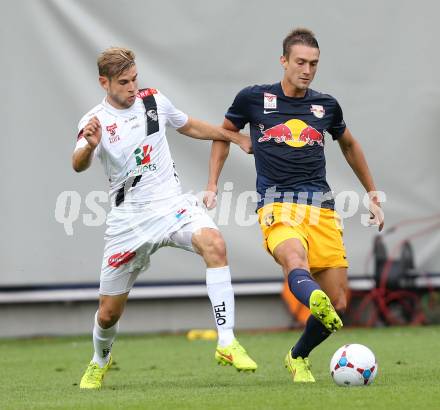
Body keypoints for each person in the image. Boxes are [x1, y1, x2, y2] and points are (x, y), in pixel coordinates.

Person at [204, 28, 384, 383]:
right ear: (283, 61)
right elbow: (221, 133)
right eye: (300, 62)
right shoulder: (254, 98)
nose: (307, 70)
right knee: (294, 259)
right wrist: (212, 182)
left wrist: (372, 193)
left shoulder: (327, 105)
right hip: (277, 203)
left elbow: (349, 145)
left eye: (313, 64)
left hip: (322, 208)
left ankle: (297, 356)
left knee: (339, 305)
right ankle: (312, 297)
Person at [73, 47, 257, 389]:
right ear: (104, 82)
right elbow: (78, 163)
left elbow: (190, 126)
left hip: (172, 205)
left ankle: (226, 341)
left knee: (214, 243)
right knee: (109, 313)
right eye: (124, 82)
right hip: (128, 222)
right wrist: (88, 145)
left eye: (134, 79)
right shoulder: (93, 122)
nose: (132, 87)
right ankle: (100, 359)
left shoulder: (153, 101)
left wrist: (233, 136)